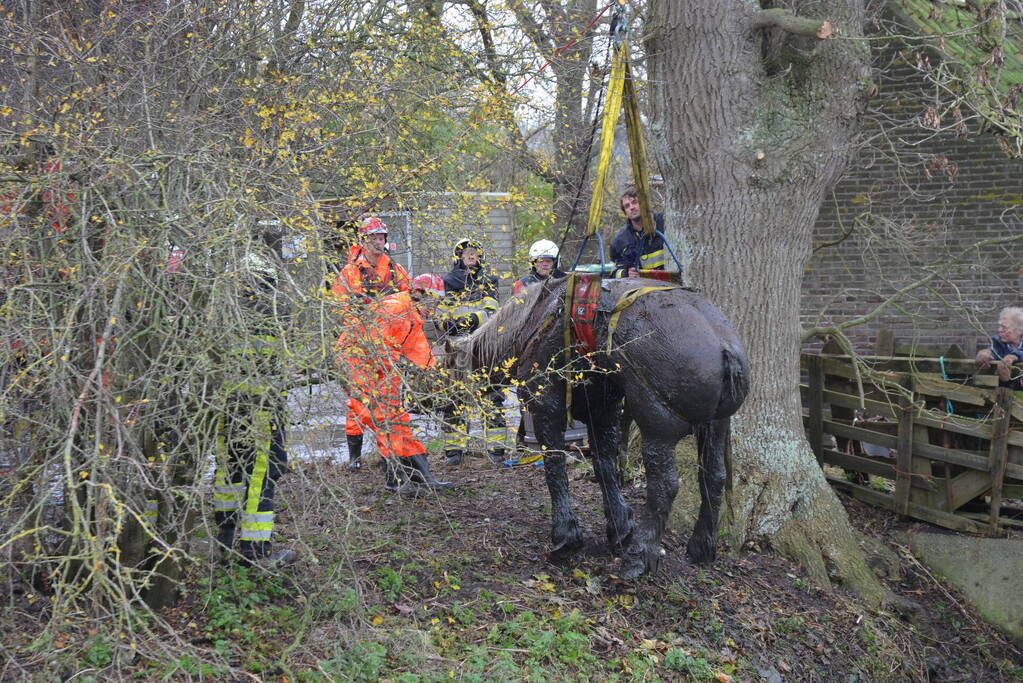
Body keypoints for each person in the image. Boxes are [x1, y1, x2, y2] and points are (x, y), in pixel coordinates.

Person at [213, 241, 296, 569]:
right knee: (265, 471)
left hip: (227, 405)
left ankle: (224, 540)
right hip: (263, 406)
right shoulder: (275, 310)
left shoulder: (221, 311)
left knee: (229, 468)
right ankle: (255, 550)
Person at [335, 273, 451, 492]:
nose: (434, 307)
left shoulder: (413, 316)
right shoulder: (395, 307)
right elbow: (375, 344)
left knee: (398, 419)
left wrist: (432, 371)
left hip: (383, 368)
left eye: (437, 302)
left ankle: (422, 477)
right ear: (419, 294)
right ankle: (395, 479)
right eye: (432, 301)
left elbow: (418, 349)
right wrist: (402, 362)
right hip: (358, 364)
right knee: (385, 419)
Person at [330, 216, 411, 471]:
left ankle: (389, 456)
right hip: (359, 345)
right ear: (363, 241)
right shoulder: (350, 272)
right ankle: (354, 457)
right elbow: (339, 306)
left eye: (381, 237)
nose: (378, 241)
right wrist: (360, 321)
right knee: (358, 402)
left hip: (389, 344)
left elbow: (409, 301)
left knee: (390, 402)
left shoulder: (396, 270)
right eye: (373, 237)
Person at [438, 238, 505, 465]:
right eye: (466, 252)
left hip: (484, 346)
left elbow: (492, 311)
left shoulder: (489, 280)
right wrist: (446, 324)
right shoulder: (449, 281)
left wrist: (471, 319)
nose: (470, 255)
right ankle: (454, 451)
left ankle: (496, 450)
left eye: (474, 252)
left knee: (492, 396)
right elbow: (440, 313)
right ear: (459, 256)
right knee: (453, 398)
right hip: (457, 347)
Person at [609, 187, 666, 278]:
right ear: (625, 213)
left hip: (670, 282)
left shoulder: (664, 223)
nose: (631, 207)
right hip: (640, 285)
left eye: (635, 202)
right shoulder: (619, 240)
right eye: (627, 206)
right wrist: (626, 273)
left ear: (644, 204)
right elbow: (612, 273)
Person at [975, 306, 1023, 389]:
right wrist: (986, 352)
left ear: (1020, 331)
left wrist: (1013, 356)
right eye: (1000, 326)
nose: (999, 330)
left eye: (1004, 327)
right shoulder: (998, 343)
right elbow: (994, 351)